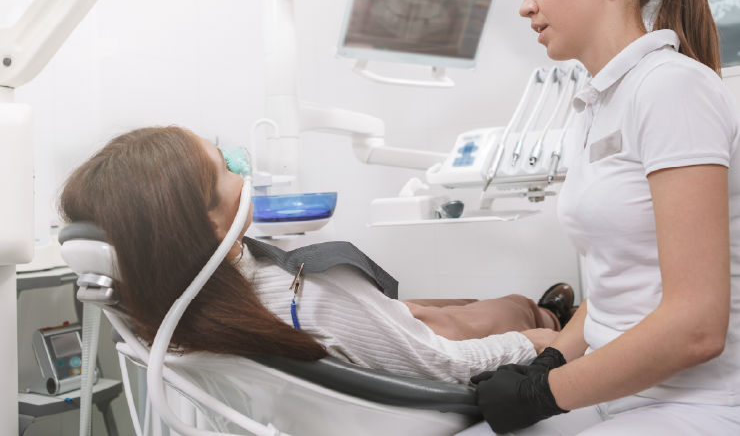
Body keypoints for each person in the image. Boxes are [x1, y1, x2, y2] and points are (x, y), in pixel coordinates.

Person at [469, 0, 740, 435]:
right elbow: (621, 286)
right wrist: (550, 361)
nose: (525, 6)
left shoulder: (671, 89)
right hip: (617, 392)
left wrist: (541, 395)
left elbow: (696, 327)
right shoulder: (595, 106)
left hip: (699, 404)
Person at [59, 125, 571, 384]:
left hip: (333, 329)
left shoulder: (159, 307)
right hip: (396, 359)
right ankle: (546, 312)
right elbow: (444, 366)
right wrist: (538, 345)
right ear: (207, 225)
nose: (242, 168)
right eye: (225, 168)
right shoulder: (313, 292)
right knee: (500, 312)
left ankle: (518, 310)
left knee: (437, 307)